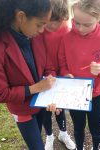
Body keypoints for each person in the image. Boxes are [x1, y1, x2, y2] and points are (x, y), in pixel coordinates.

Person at [0, 0, 56, 150]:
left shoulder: (37, 35)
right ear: (21, 17)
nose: (43, 30)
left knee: (38, 133)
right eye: (39, 24)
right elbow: (1, 94)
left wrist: (51, 87)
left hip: (41, 103)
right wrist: (35, 88)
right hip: (22, 109)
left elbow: (48, 65)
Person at [58, 0, 100, 150]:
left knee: (96, 129)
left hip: (97, 95)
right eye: (76, 22)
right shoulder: (67, 38)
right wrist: (66, 74)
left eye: (87, 25)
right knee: (78, 127)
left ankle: (96, 147)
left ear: (99, 17)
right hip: (75, 94)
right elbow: (62, 64)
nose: (80, 28)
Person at [43, 0, 76, 150]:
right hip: (43, 74)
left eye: (54, 23)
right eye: (48, 22)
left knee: (60, 107)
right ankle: (49, 135)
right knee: (46, 107)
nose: (50, 27)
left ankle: (63, 133)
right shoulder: (39, 28)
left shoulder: (67, 28)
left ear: (63, 19)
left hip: (61, 72)